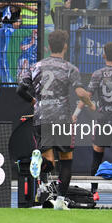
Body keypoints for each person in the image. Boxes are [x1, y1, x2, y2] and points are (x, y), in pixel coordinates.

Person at [17, 30, 93, 210]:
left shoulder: (36, 67)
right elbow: (80, 93)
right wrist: (90, 104)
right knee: (66, 160)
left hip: (42, 116)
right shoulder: (70, 68)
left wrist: (34, 101)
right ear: (65, 46)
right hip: (62, 119)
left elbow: (20, 89)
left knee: (48, 160)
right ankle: (60, 201)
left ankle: (42, 174)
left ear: (48, 47)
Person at [84, 42, 112, 202]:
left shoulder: (98, 74)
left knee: (97, 154)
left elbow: (87, 95)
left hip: (103, 118)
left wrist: (82, 110)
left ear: (104, 55)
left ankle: (94, 191)